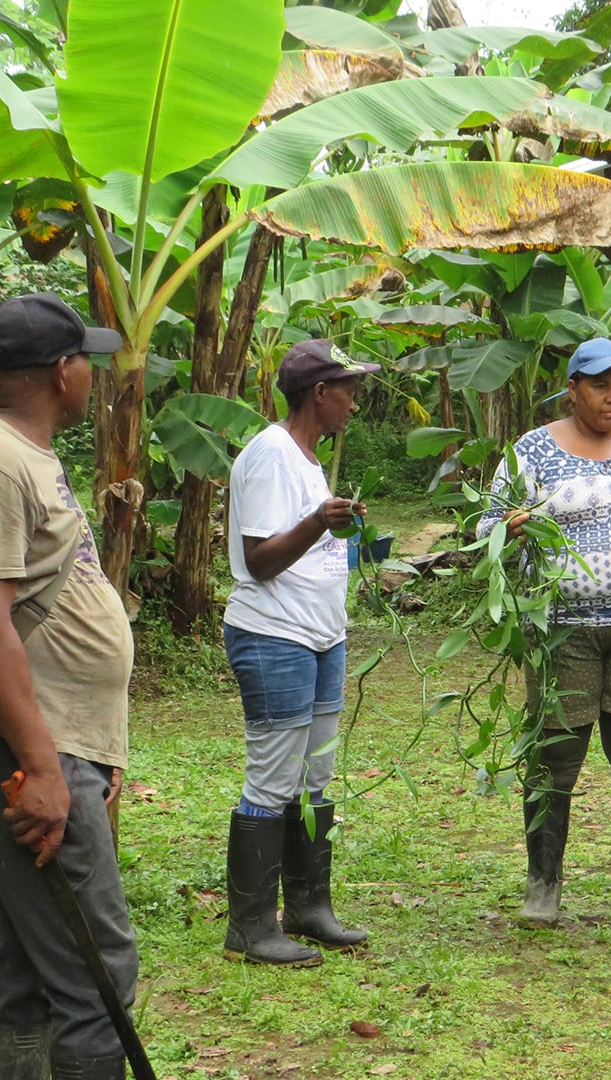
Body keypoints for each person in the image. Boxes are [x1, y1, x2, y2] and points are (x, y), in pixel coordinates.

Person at [0, 292, 138, 1080]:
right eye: (87, 358)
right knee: (96, 978)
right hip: (30, 750)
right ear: (62, 370)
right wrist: (46, 767)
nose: (92, 373)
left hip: (58, 741)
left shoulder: (16, 453)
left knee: (26, 970)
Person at [477, 337, 611, 928]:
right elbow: (486, 526)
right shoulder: (533, 452)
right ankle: (542, 884)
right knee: (556, 754)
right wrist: (510, 527)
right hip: (562, 632)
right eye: (600, 385)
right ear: (573, 388)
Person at [220, 338, 379, 967]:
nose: (354, 404)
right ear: (320, 393)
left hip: (322, 635)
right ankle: (250, 926)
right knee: (275, 774)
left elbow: (312, 548)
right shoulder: (269, 455)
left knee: (315, 774)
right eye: (349, 390)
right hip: (273, 635)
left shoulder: (309, 460)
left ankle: (309, 907)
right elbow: (259, 561)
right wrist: (319, 521)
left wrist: (349, 534)